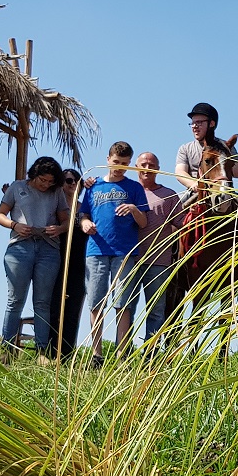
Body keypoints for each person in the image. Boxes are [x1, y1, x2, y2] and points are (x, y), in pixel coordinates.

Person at [79, 141, 149, 366]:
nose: (120, 167)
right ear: (108, 159)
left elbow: (144, 221)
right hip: (97, 250)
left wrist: (134, 209)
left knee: (123, 302)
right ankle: (96, 354)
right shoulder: (93, 186)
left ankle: (122, 354)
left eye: (125, 164)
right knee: (96, 302)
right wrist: (85, 223)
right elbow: (83, 215)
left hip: (125, 252)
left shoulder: (134, 188)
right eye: (117, 162)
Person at [0, 156, 70, 358]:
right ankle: (7, 350)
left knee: (43, 302)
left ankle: (42, 352)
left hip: (48, 248)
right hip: (20, 247)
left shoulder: (57, 193)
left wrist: (59, 228)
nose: (46, 185)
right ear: (34, 174)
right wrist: (15, 225)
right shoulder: (17, 187)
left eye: (50, 182)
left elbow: (66, 221)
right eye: (42, 180)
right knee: (15, 301)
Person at [119, 151, 184, 352]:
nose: (147, 169)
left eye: (152, 165)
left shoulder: (170, 196)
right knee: (125, 307)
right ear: (135, 167)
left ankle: (151, 354)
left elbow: (183, 225)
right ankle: (123, 353)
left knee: (156, 309)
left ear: (157, 168)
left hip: (158, 260)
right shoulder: (126, 191)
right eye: (143, 164)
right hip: (128, 259)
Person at [48, 168, 89, 358]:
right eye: (67, 180)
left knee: (73, 310)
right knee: (54, 307)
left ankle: (67, 354)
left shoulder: (85, 208)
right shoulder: (53, 208)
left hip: (80, 264)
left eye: (75, 180)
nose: (72, 184)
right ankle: (50, 352)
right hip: (56, 261)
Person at [174, 102, 238, 197]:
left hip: (224, 191)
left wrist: (223, 162)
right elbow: (180, 172)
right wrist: (194, 184)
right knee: (176, 209)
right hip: (195, 192)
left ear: (211, 123)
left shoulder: (225, 146)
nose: (194, 126)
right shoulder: (185, 148)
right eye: (193, 123)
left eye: (199, 122)